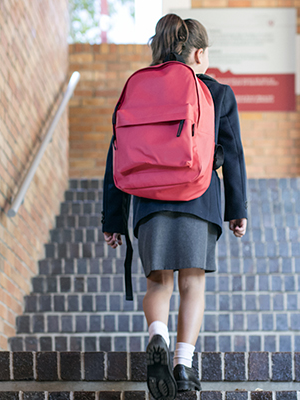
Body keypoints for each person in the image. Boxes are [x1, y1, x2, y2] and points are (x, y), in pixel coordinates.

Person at [101, 13, 249, 400]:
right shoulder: (218, 93)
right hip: (198, 197)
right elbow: (232, 153)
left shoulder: (140, 87)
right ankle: (182, 366)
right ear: (198, 53)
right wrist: (238, 209)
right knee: (192, 283)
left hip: (149, 199)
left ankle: (157, 335)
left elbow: (115, 154)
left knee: (158, 281)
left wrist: (112, 217)